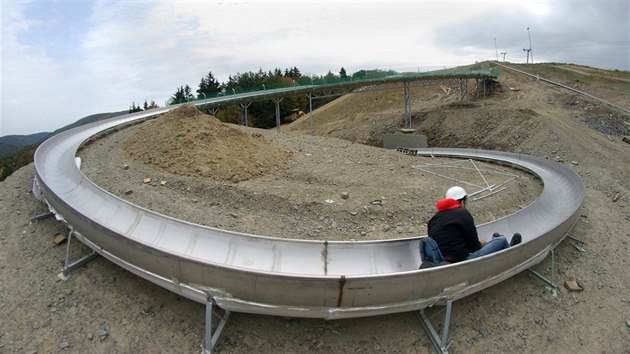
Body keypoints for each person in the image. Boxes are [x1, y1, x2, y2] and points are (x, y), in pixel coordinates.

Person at [427, 186, 521, 263]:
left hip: (442, 261)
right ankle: (511, 251)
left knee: (494, 241)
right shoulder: (462, 213)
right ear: (463, 201)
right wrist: (481, 243)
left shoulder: (434, 219)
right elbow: (474, 247)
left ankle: (495, 243)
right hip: (460, 262)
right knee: (502, 240)